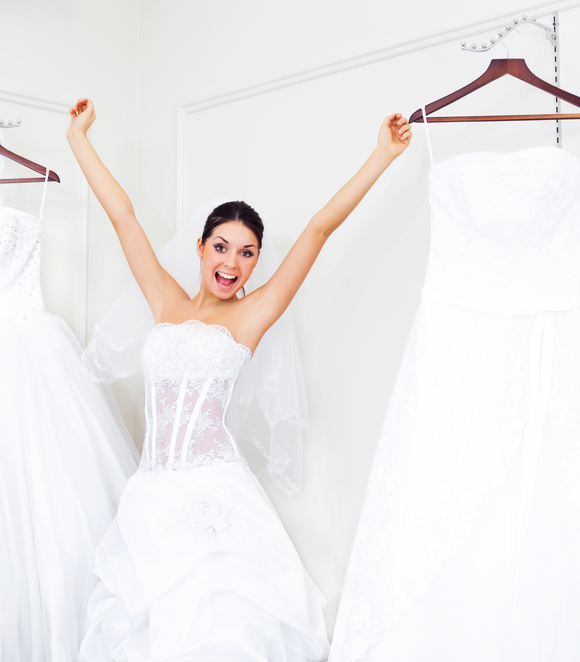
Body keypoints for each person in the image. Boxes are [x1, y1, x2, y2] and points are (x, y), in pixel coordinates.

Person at [67, 98, 411, 661]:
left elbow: (319, 229)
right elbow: (123, 217)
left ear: (255, 264)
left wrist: (382, 156)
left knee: (215, 633)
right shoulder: (165, 301)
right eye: (222, 247)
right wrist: (80, 139)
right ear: (200, 248)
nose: (233, 263)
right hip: (151, 495)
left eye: (248, 254)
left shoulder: (251, 317)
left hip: (214, 497)